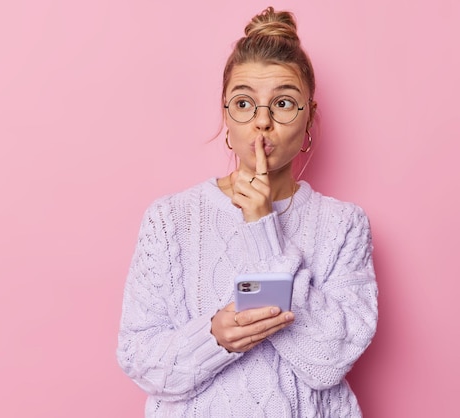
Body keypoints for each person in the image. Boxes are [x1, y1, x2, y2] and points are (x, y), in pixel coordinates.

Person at [116, 6, 378, 417]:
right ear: (226, 115)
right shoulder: (170, 220)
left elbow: (329, 360)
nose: (262, 122)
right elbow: (138, 356)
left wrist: (263, 228)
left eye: (284, 103)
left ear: (309, 116)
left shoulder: (343, 226)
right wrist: (214, 338)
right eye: (243, 103)